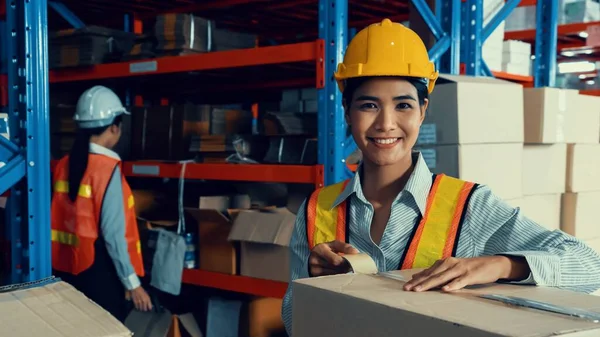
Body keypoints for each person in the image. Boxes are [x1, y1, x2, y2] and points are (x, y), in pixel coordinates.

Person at [281, 18, 600, 335]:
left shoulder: (470, 206)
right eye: (369, 105)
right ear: (348, 112)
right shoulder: (315, 211)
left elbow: (589, 265)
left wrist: (499, 265)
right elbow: (295, 321)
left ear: (422, 111)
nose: (386, 123)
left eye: (403, 105)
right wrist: (315, 282)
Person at [51, 85, 153, 322]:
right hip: (99, 274)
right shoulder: (107, 170)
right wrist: (133, 284)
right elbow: (113, 236)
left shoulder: (64, 164)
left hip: (65, 270)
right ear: (114, 128)